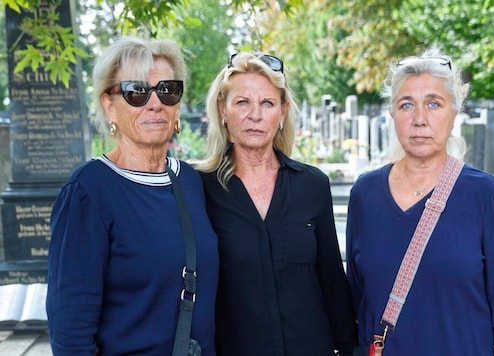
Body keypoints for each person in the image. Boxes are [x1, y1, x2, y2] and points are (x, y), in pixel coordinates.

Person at [345, 46, 494, 355]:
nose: (420, 119)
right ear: (392, 113)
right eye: (406, 105)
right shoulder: (365, 194)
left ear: (454, 113)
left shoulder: (486, 195)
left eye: (434, 104)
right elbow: (355, 297)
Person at [46, 36, 219, 355]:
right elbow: (70, 333)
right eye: (136, 92)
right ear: (109, 106)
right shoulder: (89, 192)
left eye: (167, 90)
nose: (155, 103)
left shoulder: (190, 181)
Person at [193, 52, 356, 356]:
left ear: (282, 113)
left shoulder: (313, 185)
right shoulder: (199, 188)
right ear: (223, 110)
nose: (255, 115)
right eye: (242, 102)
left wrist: (348, 347)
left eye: (267, 103)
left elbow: (331, 278)